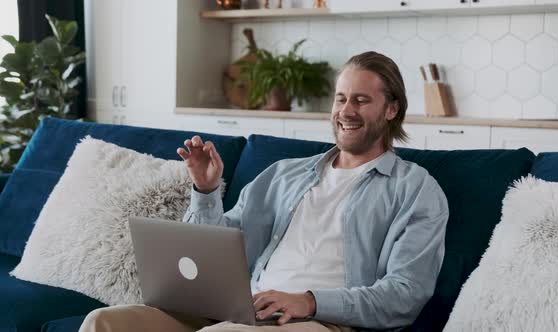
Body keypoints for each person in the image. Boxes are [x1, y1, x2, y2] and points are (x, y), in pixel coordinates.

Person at [80, 51, 449, 332]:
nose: (345, 111)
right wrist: (206, 191)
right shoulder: (283, 174)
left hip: (323, 323)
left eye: (361, 100)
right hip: (246, 309)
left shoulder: (414, 190)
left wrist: (310, 302)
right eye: (340, 98)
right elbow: (214, 256)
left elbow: (405, 295)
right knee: (104, 323)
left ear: (391, 109)